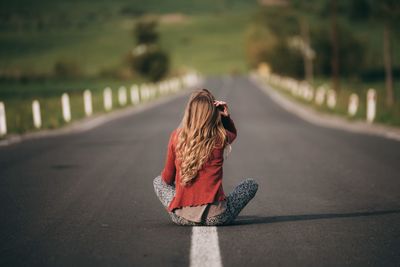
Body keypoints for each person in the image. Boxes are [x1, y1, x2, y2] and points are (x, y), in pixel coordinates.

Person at [153, 88, 258, 226]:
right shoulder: (219, 137)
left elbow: (167, 179)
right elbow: (233, 134)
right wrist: (225, 117)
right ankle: (214, 205)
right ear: (212, 113)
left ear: (189, 112)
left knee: (158, 181)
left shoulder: (176, 136)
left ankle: (182, 205)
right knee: (251, 184)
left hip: (183, 218)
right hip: (217, 217)